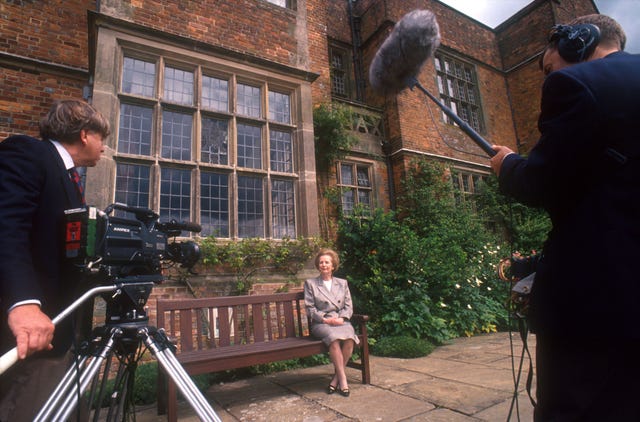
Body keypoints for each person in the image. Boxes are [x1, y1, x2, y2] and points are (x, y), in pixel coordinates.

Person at [490, 14, 640, 421]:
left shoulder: (575, 85)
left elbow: (541, 182)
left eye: (547, 66)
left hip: (593, 306)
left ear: (577, 41)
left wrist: (508, 165)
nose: (546, 78)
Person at [0, 99, 110, 420]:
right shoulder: (29, 154)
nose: (104, 148)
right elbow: (6, 225)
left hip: (59, 329)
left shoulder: (71, 180)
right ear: (86, 134)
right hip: (24, 334)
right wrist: (22, 303)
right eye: (102, 138)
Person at [304, 248, 359, 397]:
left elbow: (348, 306)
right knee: (334, 340)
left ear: (333, 265)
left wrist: (342, 318)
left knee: (349, 338)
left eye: (327, 262)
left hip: (340, 320)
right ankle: (343, 380)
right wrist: (324, 319)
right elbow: (309, 308)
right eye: (321, 262)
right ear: (318, 265)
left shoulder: (342, 283)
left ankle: (335, 379)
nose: (324, 265)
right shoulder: (311, 284)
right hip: (322, 323)